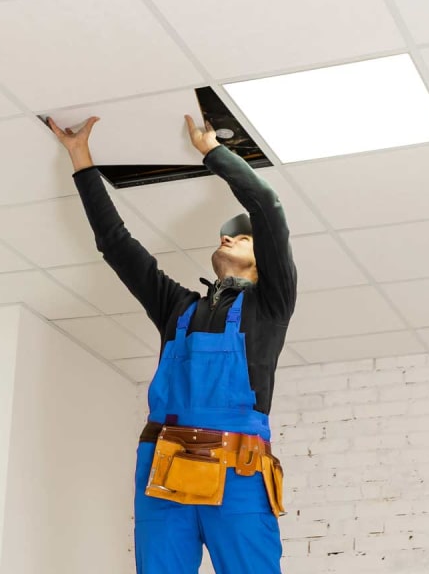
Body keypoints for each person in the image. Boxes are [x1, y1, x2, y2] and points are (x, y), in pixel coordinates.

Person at [47, 113, 297, 574]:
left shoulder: (270, 305)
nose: (229, 237)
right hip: (164, 466)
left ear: (263, 262)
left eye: (243, 237)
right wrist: (81, 158)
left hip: (238, 472)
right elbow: (116, 245)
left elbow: (268, 205)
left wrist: (211, 152)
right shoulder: (177, 309)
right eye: (228, 234)